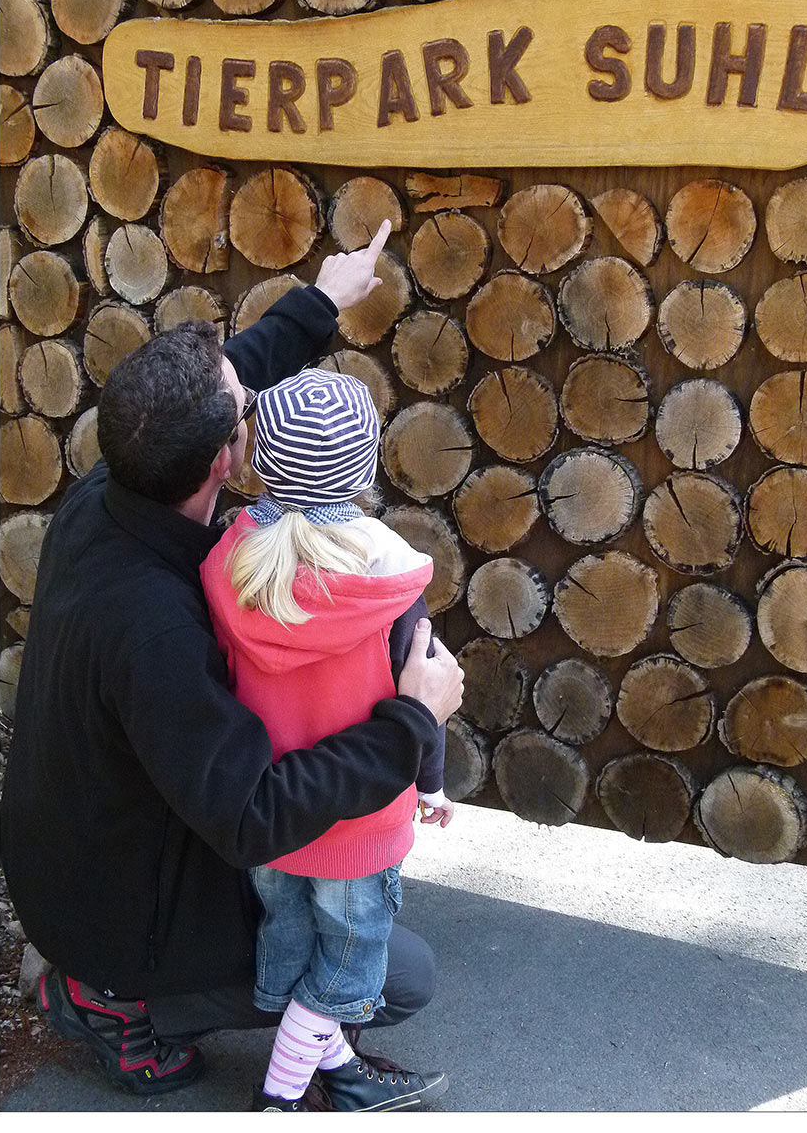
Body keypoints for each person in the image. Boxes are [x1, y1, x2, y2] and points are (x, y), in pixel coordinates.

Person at [0, 222, 464, 1105]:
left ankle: (116, 977)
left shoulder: (117, 480)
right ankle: (112, 1001)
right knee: (399, 976)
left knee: (341, 905)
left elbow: (232, 379)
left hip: (83, 845)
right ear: (225, 457)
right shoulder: (154, 626)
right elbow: (254, 814)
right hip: (115, 913)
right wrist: (412, 722)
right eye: (243, 406)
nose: (250, 395)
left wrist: (323, 300)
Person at [200, 368, 455, 1112]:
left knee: (287, 929)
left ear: (257, 461)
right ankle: (280, 1098)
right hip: (358, 822)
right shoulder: (387, 579)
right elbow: (424, 693)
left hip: (272, 809)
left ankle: (333, 1068)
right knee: (348, 962)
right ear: (367, 466)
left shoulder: (230, 562)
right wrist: (431, 782)